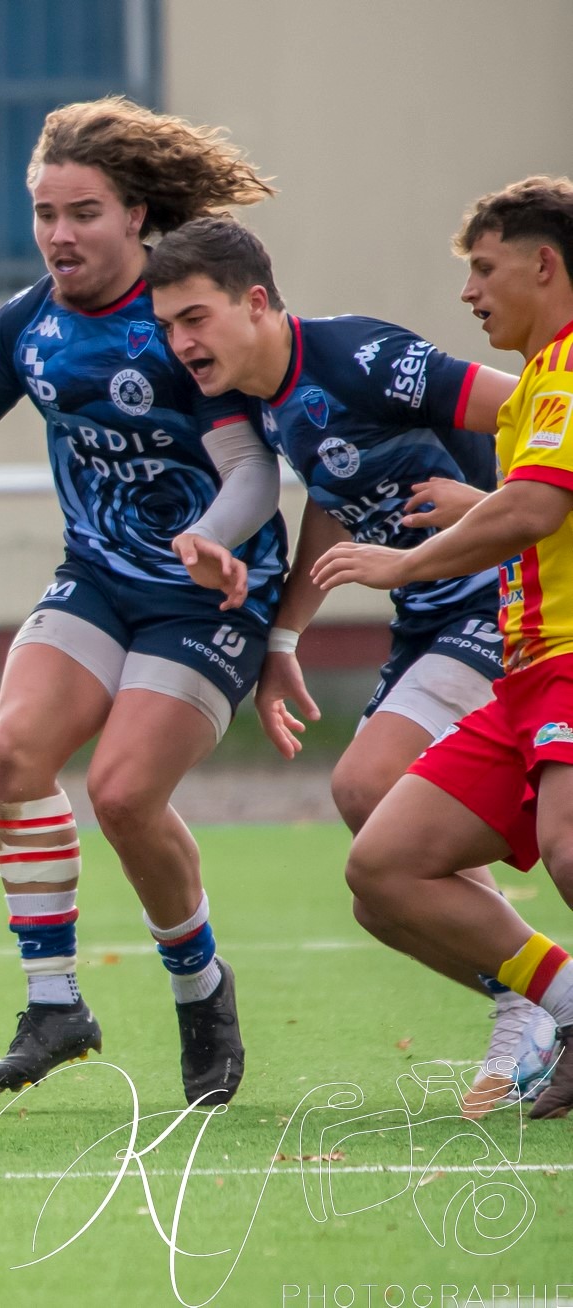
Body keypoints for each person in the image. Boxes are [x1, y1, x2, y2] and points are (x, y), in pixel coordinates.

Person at [0, 97, 284, 1106]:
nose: (59, 235)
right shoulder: (28, 321)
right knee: (12, 754)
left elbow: (252, 470)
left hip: (207, 596)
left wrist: (214, 535)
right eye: (45, 213)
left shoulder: (180, 320)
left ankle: (200, 992)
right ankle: (54, 1006)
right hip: (98, 578)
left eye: (83, 213)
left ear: (135, 216)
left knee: (122, 795)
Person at [146, 216, 542, 1115]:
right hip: (428, 617)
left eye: (195, 318)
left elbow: (534, 407)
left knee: (370, 792)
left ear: (256, 303)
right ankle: (534, 995)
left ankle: (534, 1003)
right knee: (380, 881)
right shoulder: (268, 395)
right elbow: (335, 489)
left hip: (498, 602)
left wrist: (484, 501)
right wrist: (285, 639)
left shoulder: (361, 357)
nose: (182, 343)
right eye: (168, 327)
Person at [314, 176, 573, 1119]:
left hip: (569, 664)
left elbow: (535, 507)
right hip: (525, 678)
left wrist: (407, 563)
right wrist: (486, 504)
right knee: (383, 869)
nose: (469, 292)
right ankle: (566, 1006)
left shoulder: (569, 366)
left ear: (544, 265)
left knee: (569, 849)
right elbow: (538, 505)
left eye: (484, 269)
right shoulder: (533, 388)